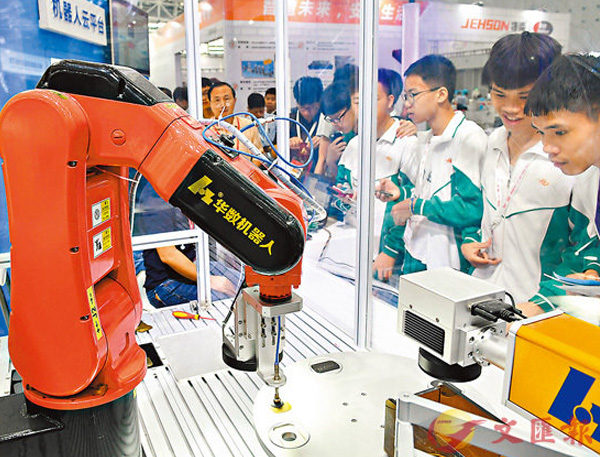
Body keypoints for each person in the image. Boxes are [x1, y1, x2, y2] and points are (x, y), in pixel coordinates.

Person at [460, 33, 599, 316]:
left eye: (524, 96)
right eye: (500, 94)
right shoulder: (492, 142)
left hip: (538, 306)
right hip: (488, 294)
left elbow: (587, 249)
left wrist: (543, 301)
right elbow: (484, 212)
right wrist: (471, 239)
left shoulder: (579, 163)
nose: (511, 108)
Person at [378, 55, 488, 274]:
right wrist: (400, 193)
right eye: (406, 96)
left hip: (447, 262)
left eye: (413, 95)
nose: (407, 103)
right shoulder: (424, 140)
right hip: (416, 250)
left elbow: (472, 209)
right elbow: (423, 192)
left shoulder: (468, 138)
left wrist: (416, 206)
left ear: (441, 94)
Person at [520, 53, 600, 314]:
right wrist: (592, 270)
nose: (548, 147)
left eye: (560, 132)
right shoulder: (588, 180)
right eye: (542, 133)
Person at [335, 69, 420, 281]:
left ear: (390, 101)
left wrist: (390, 250)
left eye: (373, 99)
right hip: (351, 248)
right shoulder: (354, 144)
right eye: (358, 101)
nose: (364, 106)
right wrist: (344, 194)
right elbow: (341, 184)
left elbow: (414, 200)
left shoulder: (407, 143)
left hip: (388, 257)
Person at [133, 177, 237, 308]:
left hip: (192, 266)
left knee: (242, 283)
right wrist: (209, 280)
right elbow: (168, 255)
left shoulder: (182, 191)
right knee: (228, 296)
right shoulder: (157, 200)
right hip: (165, 284)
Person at [207, 81, 263, 154]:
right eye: (217, 100)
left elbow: (258, 155)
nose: (223, 105)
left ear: (234, 100)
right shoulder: (205, 129)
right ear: (210, 103)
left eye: (227, 99)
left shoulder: (249, 126)